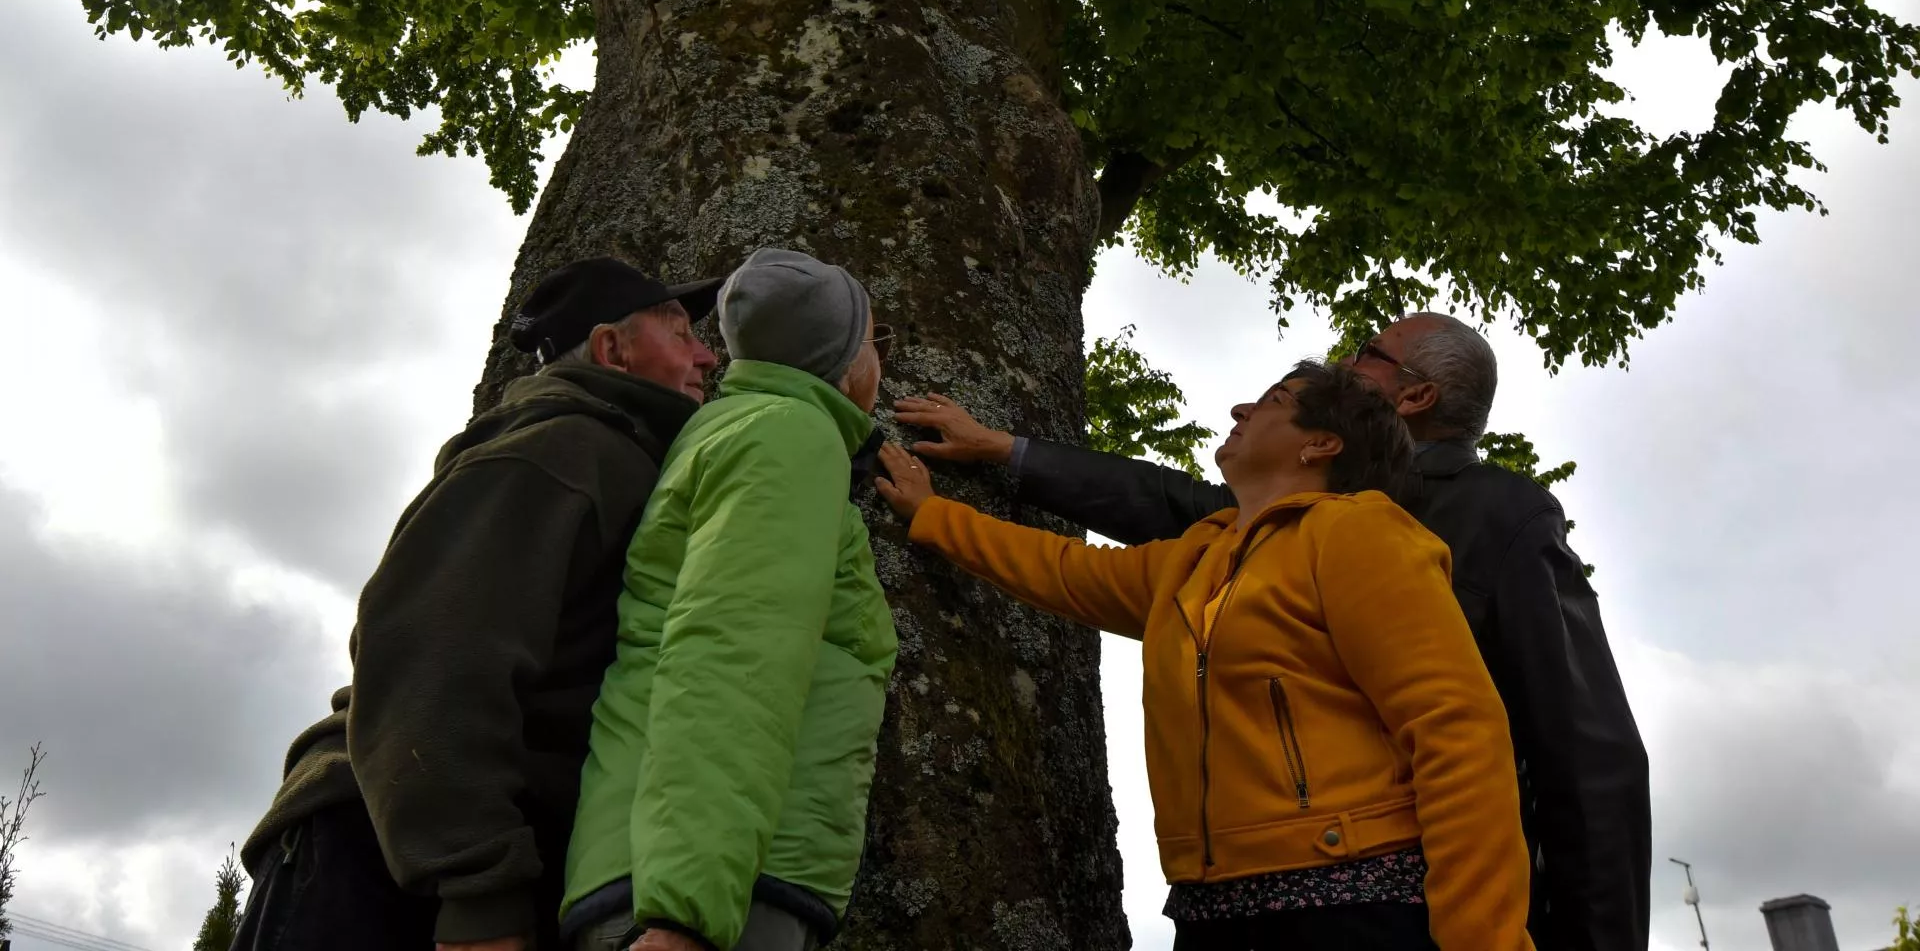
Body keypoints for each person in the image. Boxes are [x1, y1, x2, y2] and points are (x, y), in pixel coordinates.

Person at [894, 312, 1651, 951]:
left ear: (1408, 399)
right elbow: (1080, 561)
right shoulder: (1217, 545)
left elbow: (1533, 747)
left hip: (1362, 902)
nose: (1242, 411)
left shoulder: (1451, 521)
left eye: (1367, 355)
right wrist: (947, 502)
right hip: (1212, 906)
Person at [233, 257, 727, 951]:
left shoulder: (619, 456)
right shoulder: (560, 451)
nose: (708, 354)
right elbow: (431, 660)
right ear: (614, 349)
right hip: (387, 864)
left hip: (442, 856)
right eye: (681, 334)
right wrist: (479, 893)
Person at [560, 248, 900, 951]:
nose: (880, 360)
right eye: (871, 340)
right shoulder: (788, 435)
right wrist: (686, 912)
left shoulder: (740, 428)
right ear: (841, 364)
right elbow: (731, 657)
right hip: (706, 891)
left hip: (675, 869)